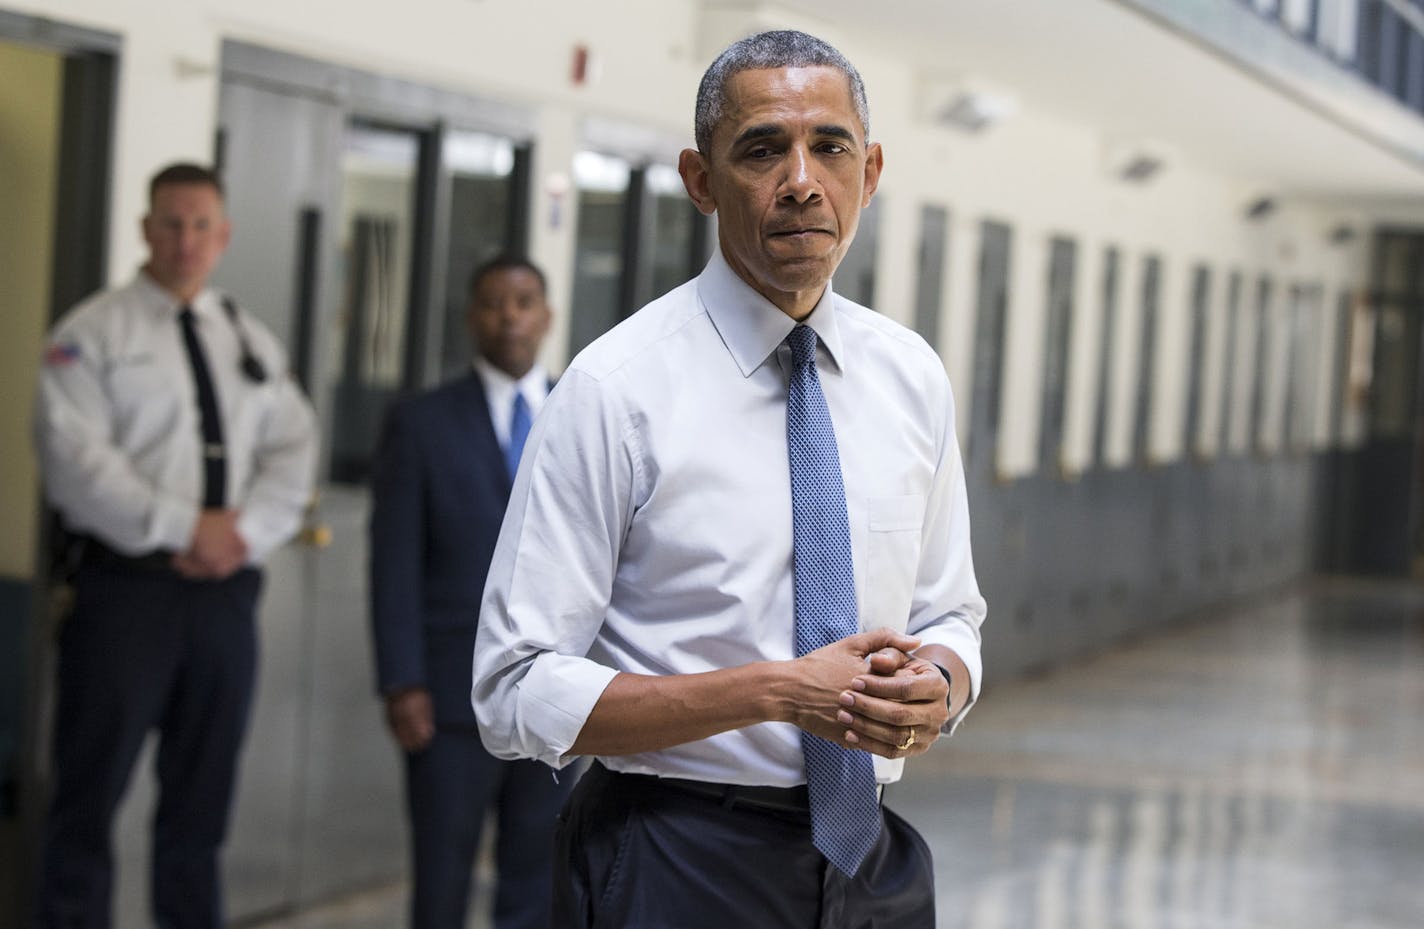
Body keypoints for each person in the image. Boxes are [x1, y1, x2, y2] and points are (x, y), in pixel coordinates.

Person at [472, 29, 986, 929]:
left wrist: (942, 680)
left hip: (869, 860)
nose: (801, 179)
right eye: (761, 149)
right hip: (675, 858)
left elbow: (952, 612)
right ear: (700, 179)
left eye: (829, 147)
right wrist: (776, 690)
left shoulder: (911, 377)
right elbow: (514, 687)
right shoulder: (615, 390)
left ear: (868, 172)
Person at [32, 162, 318, 929]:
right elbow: (76, 465)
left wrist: (246, 534)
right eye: (171, 223)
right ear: (144, 230)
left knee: (200, 811)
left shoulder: (245, 336)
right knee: (86, 804)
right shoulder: (90, 335)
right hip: (127, 593)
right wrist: (184, 526)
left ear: (222, 236)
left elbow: (295, 444)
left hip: (224, 598)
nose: (185, 240)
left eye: (201, 226)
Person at [369, 254, 571, 929]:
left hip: (556, 691)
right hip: (449, 697)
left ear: (545, 316)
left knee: (537, 872)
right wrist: (402, 681)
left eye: (523, 301)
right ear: (470, 318)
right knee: (442, 873)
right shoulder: (422, 422)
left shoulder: (580, 417)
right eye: (493, 302)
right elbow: (393, 560)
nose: (508, 315)